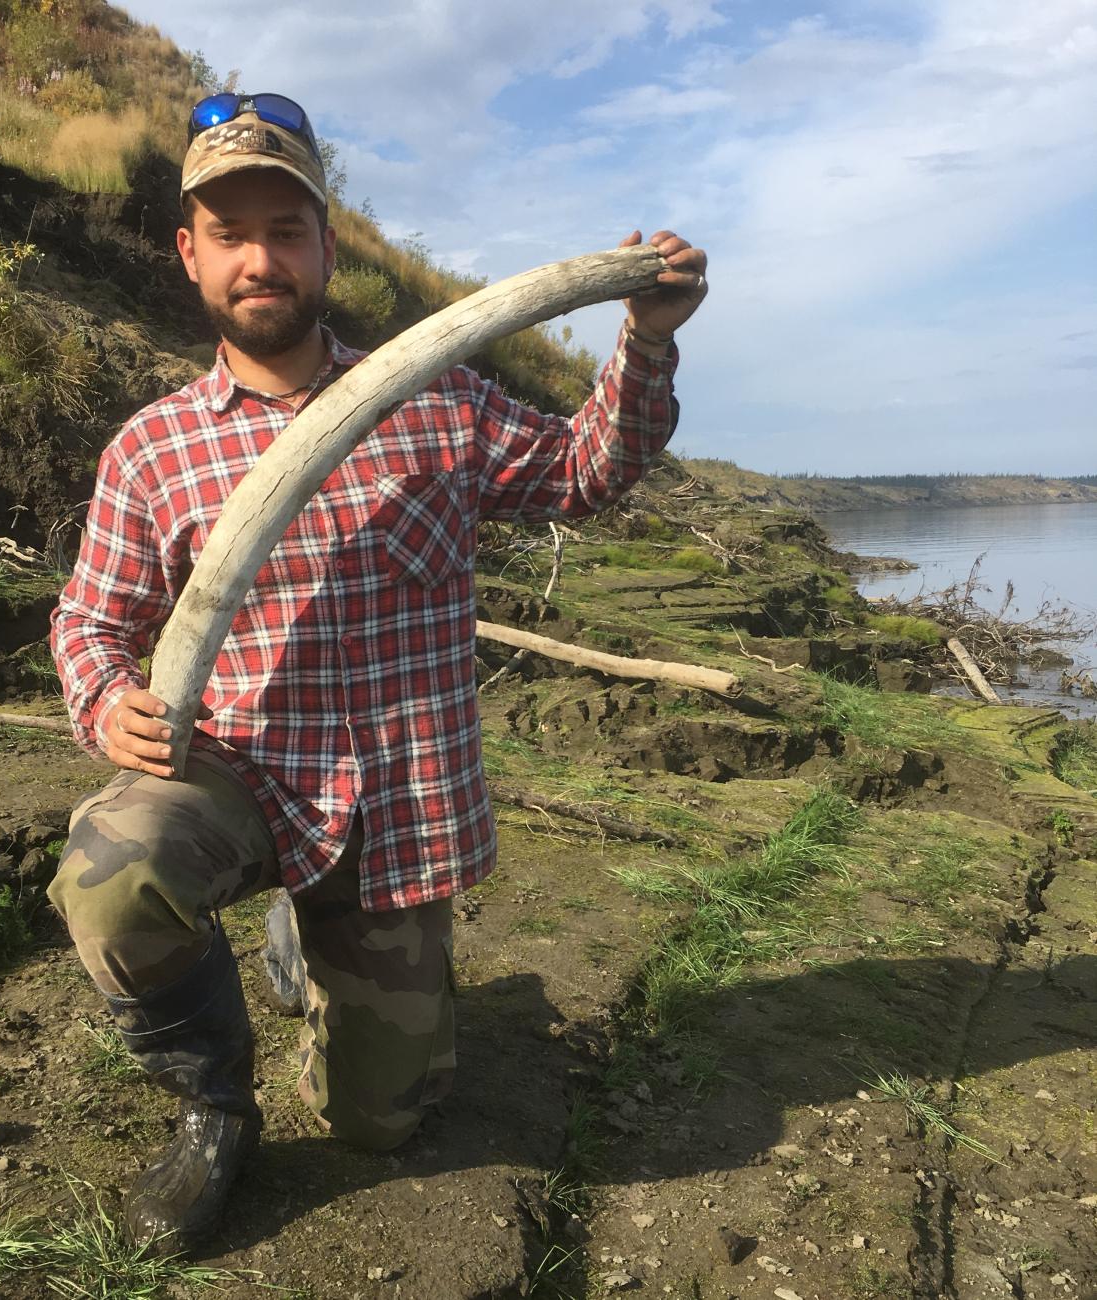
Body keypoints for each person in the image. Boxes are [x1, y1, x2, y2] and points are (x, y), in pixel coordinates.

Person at [48, 90, 708, 1252]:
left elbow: (584, 472)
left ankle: (314, 946)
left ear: (325, 246)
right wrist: (107, 704)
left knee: (381, 1125)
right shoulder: (151, 447)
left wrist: (646, 338)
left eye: (286, 229)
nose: (261, 258)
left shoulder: (435, 398)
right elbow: (89, 623)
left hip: (394, 815)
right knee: (112, 875)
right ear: (189, 254)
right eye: (232, 233)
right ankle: (214, 1107)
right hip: (237, 776)